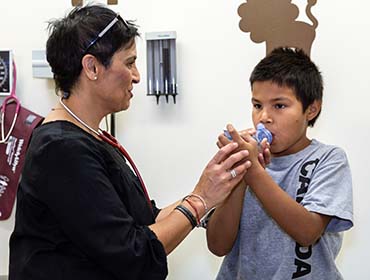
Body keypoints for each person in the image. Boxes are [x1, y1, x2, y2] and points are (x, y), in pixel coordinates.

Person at [8, 4, 252, 280]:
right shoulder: (61, 149)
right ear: (92, 67)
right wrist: (200, 199)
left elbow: (146, 221)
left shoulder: (89, 138)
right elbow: (134, 253)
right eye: (129, 62)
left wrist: (217, 183)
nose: (136, 75)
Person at [206, 47, 353, 279]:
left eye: (279, 105)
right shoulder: (243, 160)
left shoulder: (329, 159)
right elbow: (217, 245)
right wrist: (242, 171)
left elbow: (308, 232)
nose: (264, 117)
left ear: (311, 109)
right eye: (257, 105)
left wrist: (253, 171)